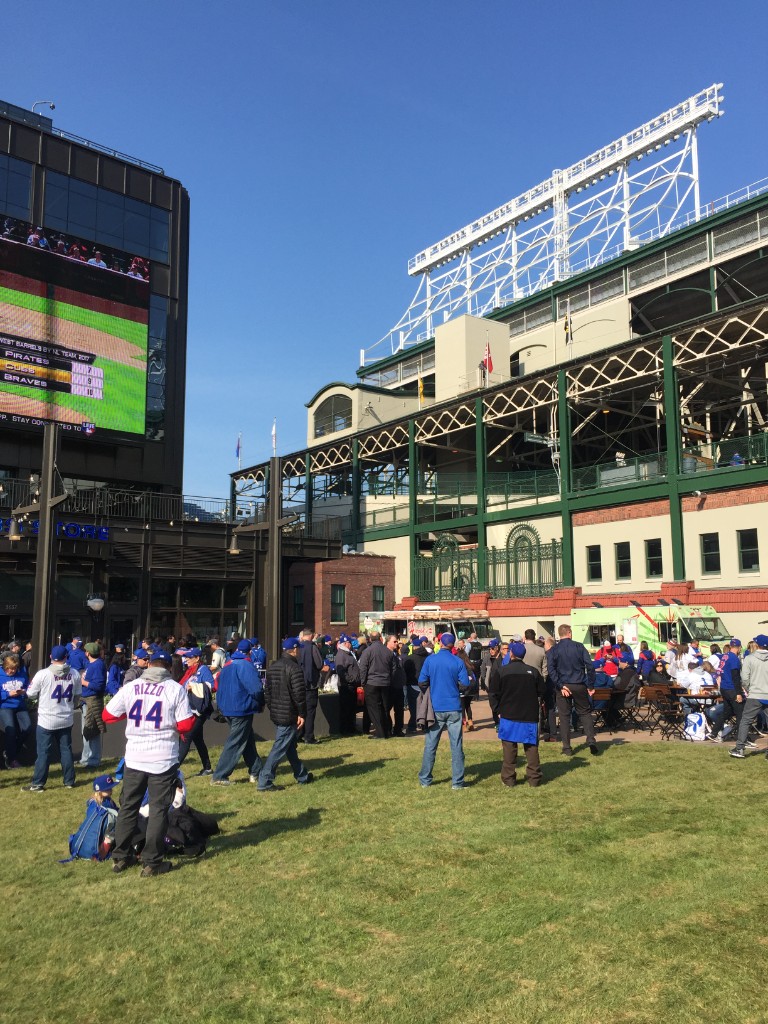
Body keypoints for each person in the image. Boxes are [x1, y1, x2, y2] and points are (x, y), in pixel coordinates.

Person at [102, 650, 194, 877]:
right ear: (168, 668)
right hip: (162, 758)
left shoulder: (131, 687)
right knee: (158, 809)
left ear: (148, 665)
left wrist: (134, 717)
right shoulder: (175, 689)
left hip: (134, 757)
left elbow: (108, 715)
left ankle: (121, 856)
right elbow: (185, 725)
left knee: (129, 807)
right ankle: (152, 861)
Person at [22, 645, 81, 791]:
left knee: (43, 753)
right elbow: (77, 696)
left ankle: (38, 783)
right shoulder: (74, 673)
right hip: (66, 718)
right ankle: (69, 781)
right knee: (66, 750)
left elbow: (30, 694)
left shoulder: (43, 674)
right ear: (66, 657)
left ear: (50, 657)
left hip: (47, 719)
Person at [257, 638, 313, 791]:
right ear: (294, 650)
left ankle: (302, 775)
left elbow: (267, 692)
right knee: (280, 748)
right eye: (299, 649)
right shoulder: (294, 668)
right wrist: (302, 713)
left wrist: (272, 708)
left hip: (277, 713)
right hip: (289, 714)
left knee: (288, 746)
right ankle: (265, 781)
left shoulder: (273, 666)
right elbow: (299, 694)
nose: (300, 651)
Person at [488, 640, 546, 787]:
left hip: (508, 714)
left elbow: (493, 693)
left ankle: (508, 779)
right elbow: (542, 691)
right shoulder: (533, 672)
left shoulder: (501, 671)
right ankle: (534, 778)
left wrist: (497, 710)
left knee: (509, 748)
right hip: (529, 715)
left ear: (511, 653)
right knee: (531, 747)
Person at [417, 633, 470, 789]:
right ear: (453, 645)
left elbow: (421, 681)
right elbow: (465, 684)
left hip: (436, 707)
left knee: (431, 744)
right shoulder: (457, 661)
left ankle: (425, 780)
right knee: (456, 745)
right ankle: (457, 782)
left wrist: (430, 690)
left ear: (440, 643)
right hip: (453, 706)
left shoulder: (431, 660)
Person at [211, 639, 265, 785]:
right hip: (241, 709)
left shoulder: (228, 664)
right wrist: (261, 702)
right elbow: (256, 689)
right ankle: (220, 776)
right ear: (250, 651)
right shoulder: (246, 665)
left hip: (227, 708)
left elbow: (217, 684)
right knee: (235, 742)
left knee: (246, 740)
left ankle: (256, 771)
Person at [547, 624, 600, 756]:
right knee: (585, 712)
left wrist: (559, 685)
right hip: (579, 684)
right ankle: (591, 740)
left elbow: (551, 670)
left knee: (564, 717)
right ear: (569, 633)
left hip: (563, 685)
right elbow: (590, 666)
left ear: (560, 634)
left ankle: (567, 748)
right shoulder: (579, 646)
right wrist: (591, 685)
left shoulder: (554, 649)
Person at [177, 647, 215, 776]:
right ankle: (207, 767)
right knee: (198, 739)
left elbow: (212, 686)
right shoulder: (190, 671)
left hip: (198, 710)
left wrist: (193, 686)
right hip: (189, 709)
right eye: (186, 657)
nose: (186, 660)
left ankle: (172, 770)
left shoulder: (203, 670)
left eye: (189, 657)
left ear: (197, 658)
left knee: (185, 738)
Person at [730, 634, 768, 759]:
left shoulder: (749, 658)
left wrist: (747, 688)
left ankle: (740, 748)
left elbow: (745, 678)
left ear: (757, 645)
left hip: (755, 694)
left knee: (745, 720)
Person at [358, 630, 395, 739]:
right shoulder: (388, 652)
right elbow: (393, 668)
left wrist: (363, 682)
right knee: (384, 708)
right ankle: (386, 731)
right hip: (385, 682)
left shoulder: (367, 651)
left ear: (370, 639)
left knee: (373, 709)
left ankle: (380, 733)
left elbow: (363, 668)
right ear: (380, 638)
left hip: (372, 683)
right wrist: (389, 679)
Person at [709, 638, 744, 743]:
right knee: (740, 714)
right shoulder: (734, 658)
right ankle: (740, 738)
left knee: (727, 712)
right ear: (738, 647)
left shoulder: (725, 656)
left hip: (724, 688)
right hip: (731, 688)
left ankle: (714, 732)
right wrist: (739, 693)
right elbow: (735, 677)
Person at [78, 642, 107, 768]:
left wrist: (84, 682)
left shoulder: (98, 665)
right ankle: (85, 759)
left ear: (88, 653)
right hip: (86, 701)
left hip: (93, 702)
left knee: (92, 731)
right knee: (87, 731)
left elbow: (99, 686)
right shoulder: (92, 664)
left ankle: (93, 760)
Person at [0, 653, 31, 768]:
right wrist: (7, 694)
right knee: (11, 731)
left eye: (14, 669)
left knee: (27, 728)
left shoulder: (21, 673)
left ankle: (9, 753)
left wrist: (24, 692)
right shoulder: (0, 674)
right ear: (5, 667)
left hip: (20, 705)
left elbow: (28, 686)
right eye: (10, 669)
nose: (12, 671)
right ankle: (12, 760)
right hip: (5, 705)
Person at [298, 628, 323, 744]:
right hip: (311, 683)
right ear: (311, 636)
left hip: (298, 683)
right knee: (310, 711)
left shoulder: (297, 648)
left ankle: (298, 734)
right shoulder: (313, 647)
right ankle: (309, 736)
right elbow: (319, 664)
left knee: (299, 710)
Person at [404, 636, 432, 733]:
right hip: (426, 684)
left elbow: (405, 672)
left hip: (413, 684)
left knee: (413, 707)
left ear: (413, 647)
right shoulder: (429, 657)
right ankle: (425, 725)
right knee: (426, 705)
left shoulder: (410, 658)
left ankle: (412, 725)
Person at [334, 633, 360, 735]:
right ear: (346, 643)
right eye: (349, 642)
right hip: (346, 686)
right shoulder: (341, 654)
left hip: (351, 685)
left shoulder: (348, 653)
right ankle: (345, 729)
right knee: (346, 709)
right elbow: (341, 671)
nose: (351, 644)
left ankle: (351, 727)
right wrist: (351, 679)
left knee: (351, 708)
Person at [385, 634, 406, 736]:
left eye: (397, 641)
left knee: (399, 709)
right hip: (389, 686)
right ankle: (388, 728)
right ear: (388, 642)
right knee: (386, 708)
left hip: (398, 686)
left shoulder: (396, 654)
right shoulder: (385, 654)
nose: (396, 643)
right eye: (394, 641)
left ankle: (398, 729)